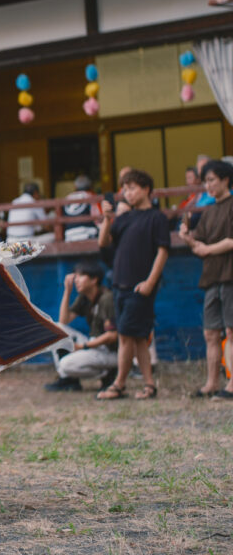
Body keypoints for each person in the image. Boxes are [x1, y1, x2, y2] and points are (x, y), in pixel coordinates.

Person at [97, 170, 169, 401]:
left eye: (132, 187)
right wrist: (107, 219)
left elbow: (162, 252)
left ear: (146, 188)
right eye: (125, 189)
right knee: (138, 338)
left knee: (125, 335)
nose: (127, 192)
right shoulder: (125, 218)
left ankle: (119, 384)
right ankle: (149, 385)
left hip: (140, 287)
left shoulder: (157, 218)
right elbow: (103, 242)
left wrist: (150, 282)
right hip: (120, 284)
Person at [179, 159, 233, 400]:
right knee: (211, 333)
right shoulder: (209, 211)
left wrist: (206, 250)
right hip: (211, 277)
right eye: (205, 182)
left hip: (230, 276)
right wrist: (186, 237)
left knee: (231, 331)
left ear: (225, 180)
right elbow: (198, 243)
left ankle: (231, 384)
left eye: (212, 180)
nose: (208, 186)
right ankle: (211, 383)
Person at [44, 261, 117, 392]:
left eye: (80, 276)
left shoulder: (107, 298)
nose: (76, 280)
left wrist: (82, 347)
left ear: (94, 280)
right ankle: (68, 380)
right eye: (75, 276)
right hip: (94, 344)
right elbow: (64, 320)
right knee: (55, 329)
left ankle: (108, 374)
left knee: (66, 364)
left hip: (111, 352)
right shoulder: (85, 297)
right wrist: (67, 291)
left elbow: (112, 336)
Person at [62, 175, 99, 242]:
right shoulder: (91, 196)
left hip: (69, 236)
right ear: (90, 186)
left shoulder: (67, 198)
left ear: (75, 187)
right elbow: (97, 220)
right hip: (88, 235)